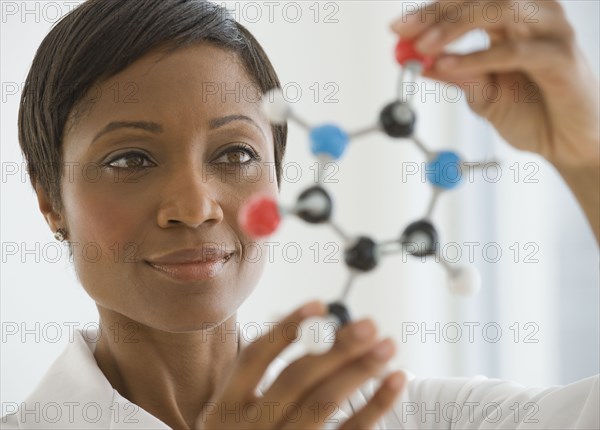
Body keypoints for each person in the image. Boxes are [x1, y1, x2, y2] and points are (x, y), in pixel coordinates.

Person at [1, 1, 597, 429]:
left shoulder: (405, 415)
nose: (194, 206)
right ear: (49, 198)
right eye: (130, 158)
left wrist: (588, 156)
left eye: (235, 154)